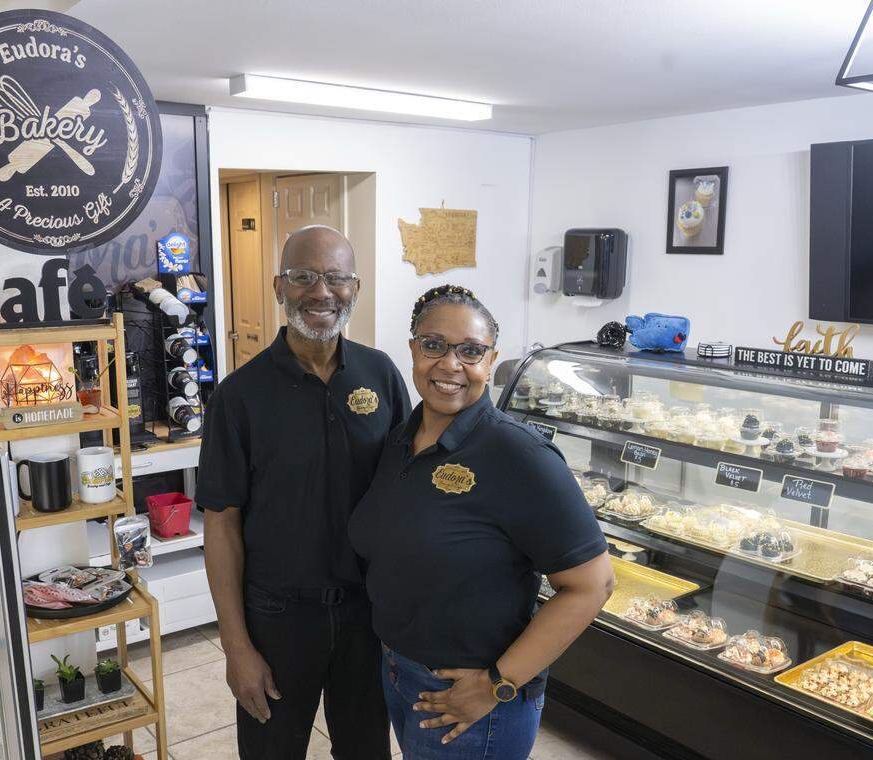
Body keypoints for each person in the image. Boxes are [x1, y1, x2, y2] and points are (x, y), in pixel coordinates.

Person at [349, 284, 614, 759]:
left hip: (472, 698)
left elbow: (592, 584)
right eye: (433, 346)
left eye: (471, 351)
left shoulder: (519, 454)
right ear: (413, 349)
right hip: (399, 671)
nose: (450, 365)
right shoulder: (397, 443)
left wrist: (497, 685)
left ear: (491, 361)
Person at [197, 225, 410, 759]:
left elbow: (407, 495)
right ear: (279, 287)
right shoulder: (239, 397)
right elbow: (221, 524)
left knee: (367, 752)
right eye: (303, 277)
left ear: (355, 289)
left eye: (336, 278)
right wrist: (236, 646)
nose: (321, 292)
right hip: (277, 620)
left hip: (367, 618)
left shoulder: (381, 375)